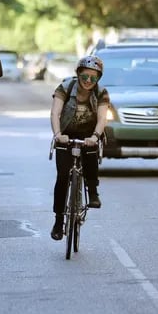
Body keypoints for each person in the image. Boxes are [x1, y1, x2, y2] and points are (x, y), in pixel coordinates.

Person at [49, 55, 110, 241]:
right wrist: (58, 134)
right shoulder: (65, 88)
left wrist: (95, 136)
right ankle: (59, 221)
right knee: (62, 176)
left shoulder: (101, 92)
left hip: (89, 135)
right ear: (78, 74)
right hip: (66, 135)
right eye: (85, 77)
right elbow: (55, 112)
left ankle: (93, 192)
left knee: (91, 156)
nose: (89, 81)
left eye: (94, 78)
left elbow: (102, 119)